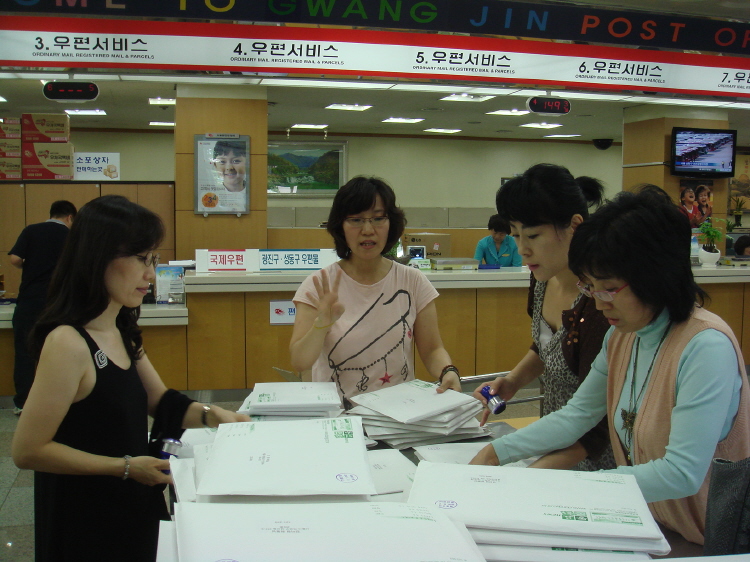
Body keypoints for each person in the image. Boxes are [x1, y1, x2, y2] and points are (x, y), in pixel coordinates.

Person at [470, 187, 750, 545]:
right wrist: (496, 453)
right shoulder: (623, 337)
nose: (599, 303)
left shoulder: (705, 347)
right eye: (591, 288)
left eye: (609, 288)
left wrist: (569, 488)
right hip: (654, 527)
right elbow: (576, 416)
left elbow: (681, 473)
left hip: (708, 541)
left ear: (656, 276)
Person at [11, 195, 250, 562]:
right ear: (98, 257)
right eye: (141, 259)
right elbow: (28, 450)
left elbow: (159, 400)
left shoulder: (120, 327)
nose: (150, 275)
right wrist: (124, 466)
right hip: (86, 518)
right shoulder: (68, 342)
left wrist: (213, 415)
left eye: (153, 260)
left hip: (129, 501)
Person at [474, 163, 615, 471]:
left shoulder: (602, 304)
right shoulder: (541, 279)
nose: (522, 249)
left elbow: (599, 422)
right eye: (515, 235)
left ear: (575, 225)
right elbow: (547, 346)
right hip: (552, 443)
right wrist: (513, 380)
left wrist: (532, 473)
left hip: (594, 458)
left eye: (533, 235)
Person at [290, 176, 461, 408]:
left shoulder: (412, 281)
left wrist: (447, 370)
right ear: (340, 226)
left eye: (378, 218)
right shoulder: (319, 285)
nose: (368, 230)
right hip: (339, 415)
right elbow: (299, 362)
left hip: (399, 412)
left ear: (391, 223)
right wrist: (321, 324)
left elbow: (432, 350)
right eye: (356, 220)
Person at [8, 200, 76, 415]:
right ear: (70, 217)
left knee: (25, 352)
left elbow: (15, 259)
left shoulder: (31, 230)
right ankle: (60, 403)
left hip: (30, 301)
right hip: (59, 303)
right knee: (61, 352)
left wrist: (30, 264)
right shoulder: (71, 236)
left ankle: (22, 403)